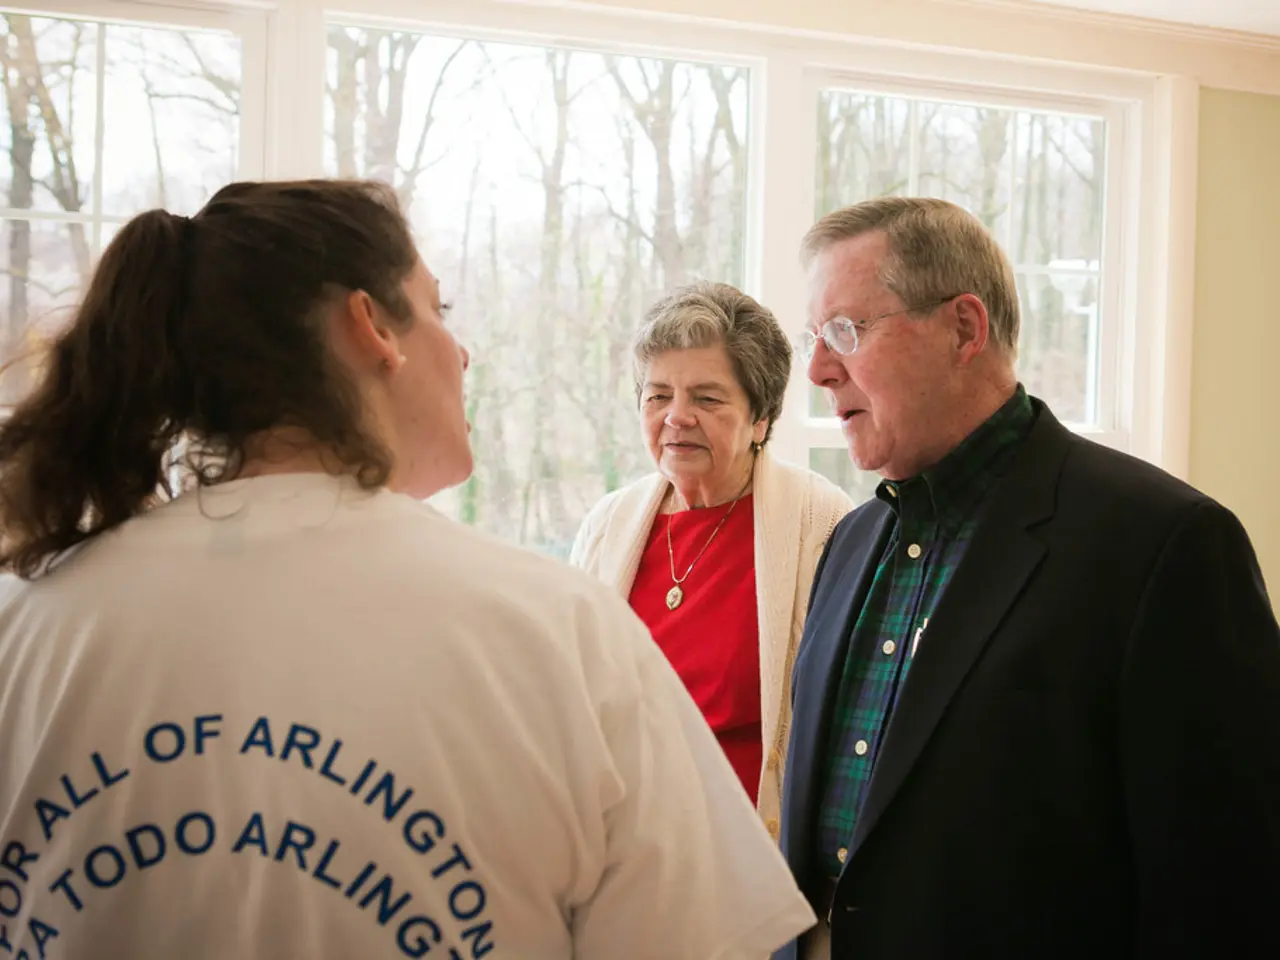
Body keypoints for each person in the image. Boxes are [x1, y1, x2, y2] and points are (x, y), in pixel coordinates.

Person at [0, 180, 817, 959]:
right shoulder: (551, 627)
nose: (461, 352)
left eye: (705, 398)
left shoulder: (28, 622)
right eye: (439, 308)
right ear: (371, 329)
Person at [775, 196, 1280, 959]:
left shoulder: (1164, 545)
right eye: (815, 337)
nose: (815, 368)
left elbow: (1224, 892)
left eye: (846, 330)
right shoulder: (851, 540)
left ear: (964, 329)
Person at [571, 282, 853, 837]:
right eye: (658, 396)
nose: (677, 417)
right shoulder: (610, 524)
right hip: (622, 849)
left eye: (707, 397)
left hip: (752, 859)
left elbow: (844, 726)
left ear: (760, 419)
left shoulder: (819, 521)